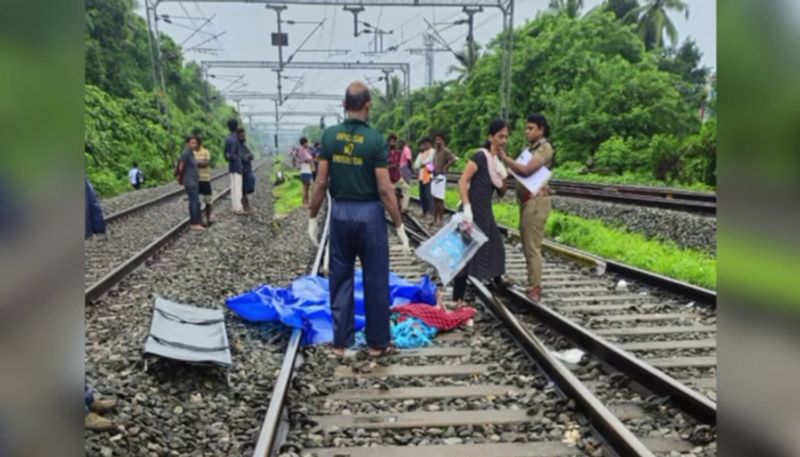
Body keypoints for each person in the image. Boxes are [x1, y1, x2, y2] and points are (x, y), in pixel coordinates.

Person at [308, 81, 410, 358]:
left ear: (344, 105)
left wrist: (313, 216)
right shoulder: (376, 140)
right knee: (376, 278)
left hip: (340, 213)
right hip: (370, 215)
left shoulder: (329, 137)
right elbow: (385, 189)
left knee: (340, 277)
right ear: (368, 106)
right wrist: (398, 224)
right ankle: (378, 343)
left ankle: (341, 344)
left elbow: (320, 182)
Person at [453, 119, 510, 308]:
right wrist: (467, 208)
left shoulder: (496, 163)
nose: (503, 140)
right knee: (465, 254)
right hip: (472, 212)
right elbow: (462, 181)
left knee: (496, 247)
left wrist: (504, 171)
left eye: (506, 137)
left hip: (485, 213)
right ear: (490, 137)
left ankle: (497, 280)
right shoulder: (480, 156)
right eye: (500, 136)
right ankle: (457, 298)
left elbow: (502, 191)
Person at [498, 114, 554, 303]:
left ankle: (534, 288)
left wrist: (504, 158)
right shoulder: (530, 149)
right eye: (527, 128)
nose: (527, 131)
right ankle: (532, 284)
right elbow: (516, 171)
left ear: (541, 130)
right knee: (528, 244)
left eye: (531, 128)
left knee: (532, 246)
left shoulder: (544, 149)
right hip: (527, 201)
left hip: (536, 201)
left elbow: (526, 170)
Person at [177, 135, 204, 231]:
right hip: (190, 181)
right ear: (188, 143)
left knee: (195, 201)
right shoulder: (186, 153)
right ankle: (194, 223)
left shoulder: (191, 153)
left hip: (193, 181)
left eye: (195, 143)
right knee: (194, 201)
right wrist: (180, 178)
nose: (194, 145)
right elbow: (181, 167)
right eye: (192, 143)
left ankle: (195, 221)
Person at [432, 132, 457, 226]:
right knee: (434, 199)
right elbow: (433, 163)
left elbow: (454, 159)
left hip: (441, 177)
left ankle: (440, 220)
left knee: (439, 199)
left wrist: (446, 167)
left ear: (443, 141)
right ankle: (434, 219)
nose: (437, 141)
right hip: (435, 176)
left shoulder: (445, 151)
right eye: (436, 139)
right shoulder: (436, 151)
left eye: (439, 139)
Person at [224, 119, 245, 214]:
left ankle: (234, 206)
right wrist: (235, 157)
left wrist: (228, 157)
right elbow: (232, 154)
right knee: (238, 187)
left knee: (233, 186)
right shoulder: (236, 139)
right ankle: (238, 207)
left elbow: (225, 154)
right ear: (236, 127)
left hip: (231, 166)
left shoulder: (227, 138)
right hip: (237, 165)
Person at [192, 136, 213, 226]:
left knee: (208, 200)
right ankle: (200, 219)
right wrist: (199, 162)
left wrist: (195, 163)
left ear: (199, 143)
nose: (193, 145)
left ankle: (208, 217)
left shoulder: (205, 152)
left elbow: (205, 164)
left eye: (194, 143)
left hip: (205, 179)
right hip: (196, 180)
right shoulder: (191, 153)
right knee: (198, 201)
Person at [413, 137, 435, 218]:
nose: (424, 145)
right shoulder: (421, 154)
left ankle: (430, 212)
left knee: (428, 195)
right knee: (422, 195)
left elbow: (429, 161)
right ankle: (424, 211)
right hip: (421, 176)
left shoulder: (432, 151)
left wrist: (422, 164)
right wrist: (422, 164)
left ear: (430, 144)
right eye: (423, 144)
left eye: (426, 144)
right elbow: (416, 165)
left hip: (429, 176)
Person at [238, 127, 255, 212]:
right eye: (241, 136)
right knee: (243, 189)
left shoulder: (244, 145)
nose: (243, 137)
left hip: (247, 169)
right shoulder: (238, 146)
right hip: (242, 170)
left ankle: (246, 206)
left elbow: (252, 155)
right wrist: (247, 157)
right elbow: (243, 158)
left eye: (244, 135)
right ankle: (245, 206)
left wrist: (248, 157)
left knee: (247, 188)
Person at [293, 137, 314, 207]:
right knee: (306, 188)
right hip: (306, 170)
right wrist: (310, 161)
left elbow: (297, 157)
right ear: (304, 143)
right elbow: (307, 159)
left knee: (307, 188)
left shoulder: (304, 150)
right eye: (307, 142)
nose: (308, 144)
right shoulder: (302, 149)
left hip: (305, 170)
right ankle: (304, 203)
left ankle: (306, 203)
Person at [387, 134, 404, 213]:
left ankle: (401, 208)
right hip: (389, 177)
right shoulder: (385, 153)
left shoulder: (398, 152)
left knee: (404, 190)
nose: (392, 143)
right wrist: (391, 166)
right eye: (391, 141)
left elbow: (400, 163)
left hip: (397, 176)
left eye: (394, 141)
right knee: (391, 195)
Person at [396, 139, 413, 213]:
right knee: (405, 188)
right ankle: (403, 206)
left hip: (402, 168)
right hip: (404, 169)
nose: (399, 145)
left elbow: (407, 160)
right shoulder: (405, 150)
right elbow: (408, 160)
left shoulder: (403, 150)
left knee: (401, 188)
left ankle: (401, 205)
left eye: (400, 144)